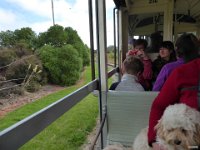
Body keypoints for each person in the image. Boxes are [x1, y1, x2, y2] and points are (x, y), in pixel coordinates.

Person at [148, 33, 200, 150]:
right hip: (190, 139)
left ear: (176, 51)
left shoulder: (177, 71)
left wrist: (152, 141)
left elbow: (156, 95)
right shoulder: (177, 70)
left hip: (189, 141)